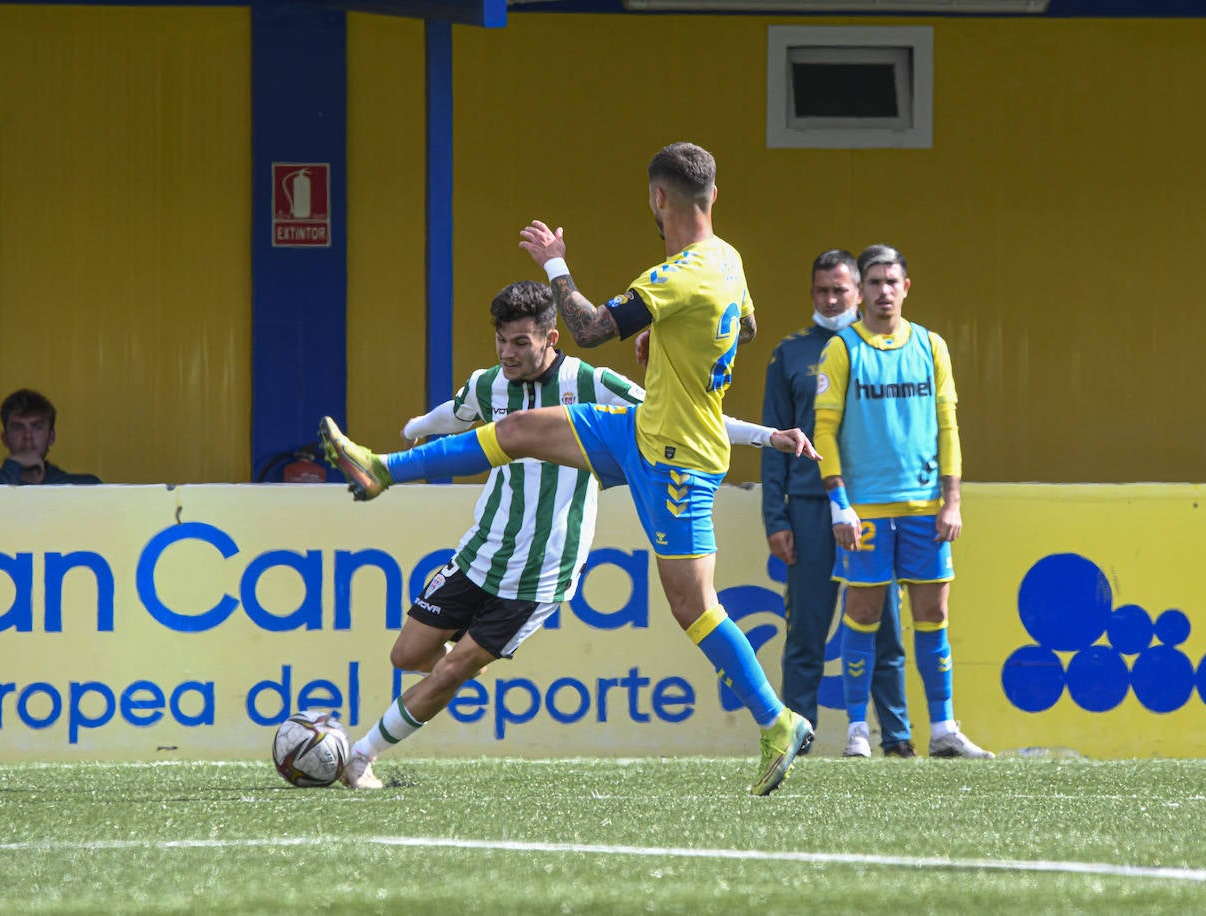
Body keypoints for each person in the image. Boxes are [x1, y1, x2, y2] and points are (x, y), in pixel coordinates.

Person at [320, 142, 816, 796]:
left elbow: (586, 327)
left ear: (658, 200)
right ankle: (383, 468)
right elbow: (744, 328)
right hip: (643, 433)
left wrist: (554, 261)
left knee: (694, 608)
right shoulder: (727, 261)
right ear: (713, 197)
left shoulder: (678, 275)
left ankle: (776, 721)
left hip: (676, 460)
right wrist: (669, 336)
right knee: (519, 428)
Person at [813, 244, 993, 759]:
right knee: (864, 612)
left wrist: (951, 500)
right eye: (874, 282)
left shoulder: (932, 347)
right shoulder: (842, 349)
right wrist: (839, 503)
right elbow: (823, 432)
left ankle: (942, 729)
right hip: (866, 510)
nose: (884, 291)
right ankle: (855, 731)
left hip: (924, 506)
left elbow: (948, 426)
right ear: (860, 289)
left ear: (906, 287)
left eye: (893, 282)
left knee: (933, 612)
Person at [762, 249, 913, 758]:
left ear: (859, 293)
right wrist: (774, 517)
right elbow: (771, 439)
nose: (831, 299)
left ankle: (896, 737)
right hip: (807, 508)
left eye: (840, 291)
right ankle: (796, 740)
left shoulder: (881, 349)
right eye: (822, 291)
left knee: (886, 627)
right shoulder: (790, 352)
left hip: (872, 506)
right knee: (806, 630)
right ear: (812, 294)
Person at [0, 389, 102, 486]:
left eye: (37, 427)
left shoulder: (86, 486)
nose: (28, 436)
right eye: (18, 427)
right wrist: (12, 467)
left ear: (51, 437)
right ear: (5, 439)